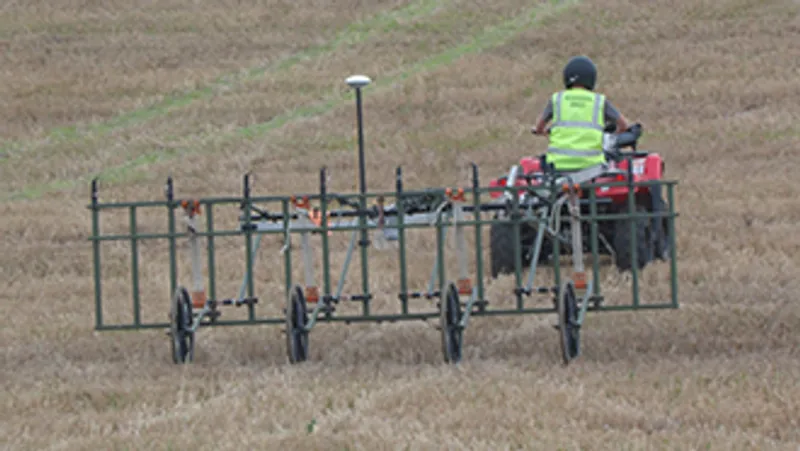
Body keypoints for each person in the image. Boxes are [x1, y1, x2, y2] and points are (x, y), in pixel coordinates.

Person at [532, 55, 630, 172]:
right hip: (593, 167)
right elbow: (623, 125)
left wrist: (542, 132)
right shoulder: (599, 101)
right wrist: (609, 137)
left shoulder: (557, 99)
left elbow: (539, 127)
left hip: (558, 165)